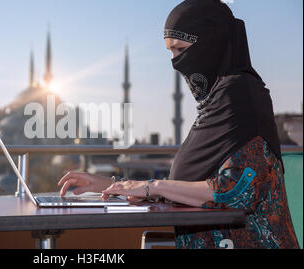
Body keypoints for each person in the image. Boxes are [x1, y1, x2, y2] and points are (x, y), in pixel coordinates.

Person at [57, 0, 299, 249]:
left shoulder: (240, 93)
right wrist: (110, 185)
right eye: (170, 52)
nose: (175, 62)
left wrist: (150, 187)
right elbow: (189, 183)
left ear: (210, 45)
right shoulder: (216, 102)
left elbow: (234, 192)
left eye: (181, 49)